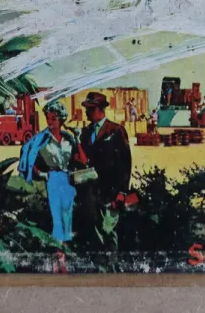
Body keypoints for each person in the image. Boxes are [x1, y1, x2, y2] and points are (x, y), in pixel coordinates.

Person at [18, 100, 86, 247]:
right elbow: (28, 157)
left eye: (53, 119)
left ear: (61, 120)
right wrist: (41, 174)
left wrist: (78, 138)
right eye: (47, 118)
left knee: (67, 213)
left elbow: (82, 160)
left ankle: (65, 247)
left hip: (68, 179)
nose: (49, 122)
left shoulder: (69, 139)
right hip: (53, 178)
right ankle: (58, 249)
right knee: (56, 215)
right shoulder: (41, 139)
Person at [78, 91, 132, 250]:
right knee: (95, 231)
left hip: (111, 191)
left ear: (100, 109)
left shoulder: (116, 130)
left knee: (108, 230)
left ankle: (112, 262)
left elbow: (126, 162)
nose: (86, 112)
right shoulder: (85, 132)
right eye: (86, 108)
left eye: (90, 109)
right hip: (91, 192)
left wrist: (122, 191)